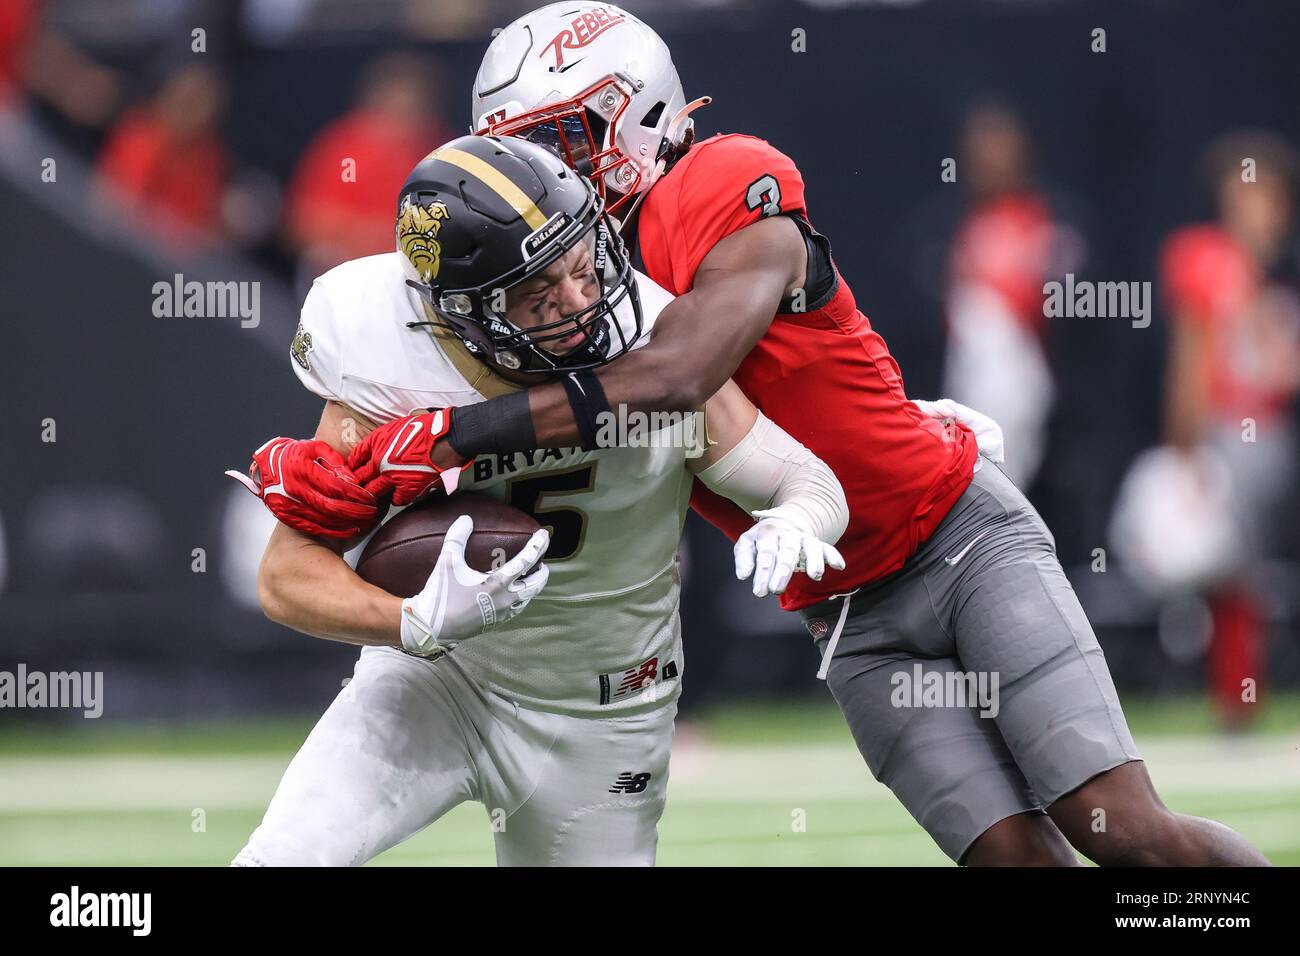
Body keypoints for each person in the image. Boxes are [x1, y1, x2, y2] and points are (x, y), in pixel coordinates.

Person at [227, 135, 850, 866]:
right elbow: (286, 575)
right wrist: (410, 620)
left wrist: (799, 519)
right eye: (539, 291)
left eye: (583, 265)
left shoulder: (654, 344)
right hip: (439, 677)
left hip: (603, 708)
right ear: (461, 312)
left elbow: (805, 480)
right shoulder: (383, 344)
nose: (582, 301)